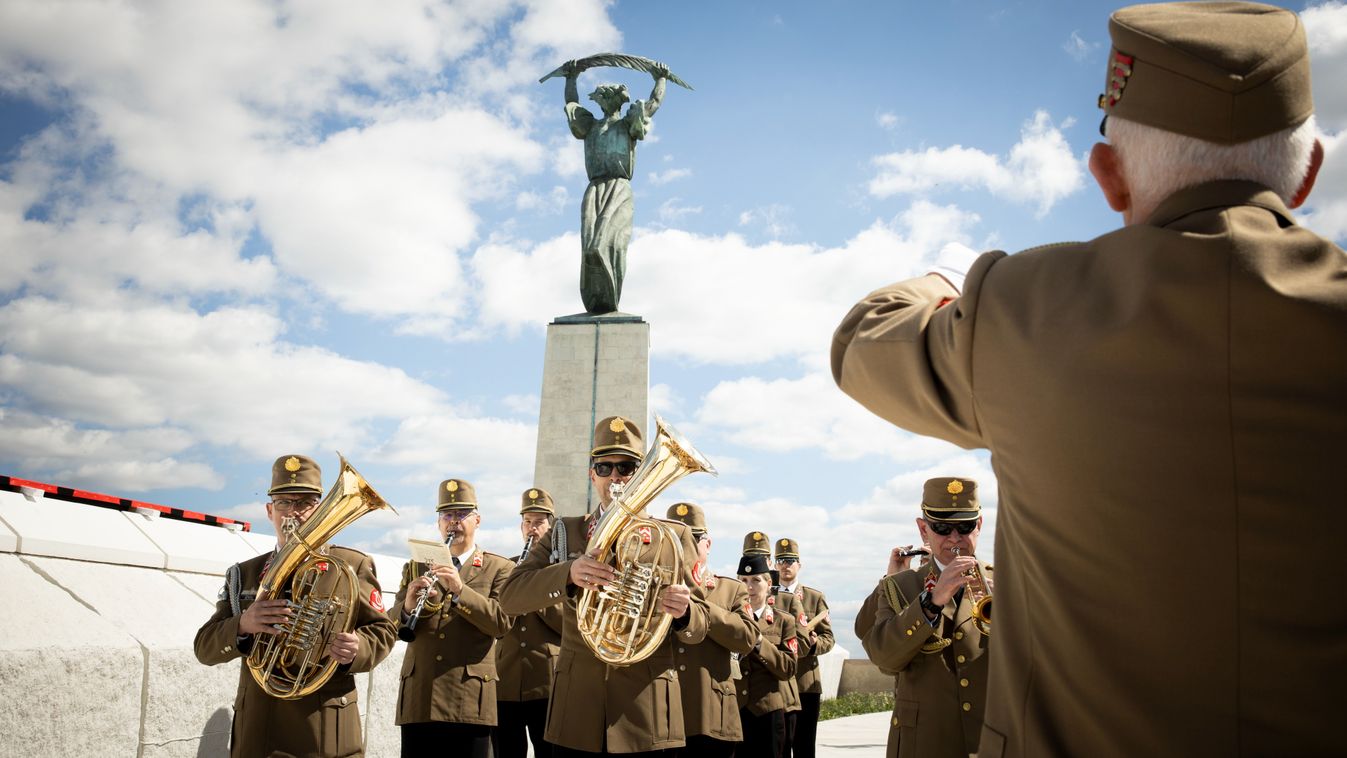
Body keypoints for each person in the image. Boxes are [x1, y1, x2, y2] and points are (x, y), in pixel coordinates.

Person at [831, 3, 1342, 755]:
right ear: (1308, 173)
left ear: (1109, 178)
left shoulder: (1024, 309)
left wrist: (951, 284)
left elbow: (859, 342)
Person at [499, 415, 710, 756]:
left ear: (640, 473)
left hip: (647, 711)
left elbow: (700, 625)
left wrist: (685, 614)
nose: (615, 477)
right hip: (577, 713)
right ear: (591, 474)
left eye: (626, 467)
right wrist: (568, 573)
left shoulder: (673, 535)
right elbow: (509, 597)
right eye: (604, 466)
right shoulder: (564, 532)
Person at [194, 454, 396, 758]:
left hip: (324, 732)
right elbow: (204, 648)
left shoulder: (352, 565)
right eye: (284, 503)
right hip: (258, 734)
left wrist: (358, 648)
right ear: (269, 510)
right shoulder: (244, 573)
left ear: (320, 507)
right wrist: (243, 625)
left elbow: (382, 631)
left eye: (304, 503)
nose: (293, 513)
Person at [855, 477, 992, 758]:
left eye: (964, 527)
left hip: (992, 738)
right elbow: (884, 658)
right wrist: (931, 602)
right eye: (942, 528)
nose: (954, 538)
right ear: (923, 529)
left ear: (979, 526)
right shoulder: (899, 586)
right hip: (925, 741)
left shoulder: (1009, 580)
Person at [390, 478, 513, 757]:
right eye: (447, 515)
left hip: (469, 700)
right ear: (438, 522)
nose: (453, 522)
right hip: (419, 698)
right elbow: (390, 623)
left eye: (461, 514)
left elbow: (502, 623)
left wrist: (460, 590)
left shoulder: (500, 567)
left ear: (477, 520)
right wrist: (408, 607)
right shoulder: (417, 565)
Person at [563, 63, 668, 313]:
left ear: (614, 101)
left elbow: (653, 104)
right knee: (590, 247)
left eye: (604, 98)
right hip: (595, 190)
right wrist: (571, 77)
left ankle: (611, 297)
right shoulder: (590, 126)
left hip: (619, 190)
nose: (601, 102)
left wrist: (660, 79)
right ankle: (595, 299)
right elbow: (572, 104)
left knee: (609, 245)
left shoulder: (629, 124)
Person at [665, 503, 759, 758]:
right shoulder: (654, 588)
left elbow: (747, 638)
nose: (685, 544)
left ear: (708, 544)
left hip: (711, 713)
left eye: (693, 538)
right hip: (662, 714)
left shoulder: (729, 589)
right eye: (674, 537)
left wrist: (695, 608)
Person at [494, 488, 565, 758]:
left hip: (546, 682)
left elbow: (566, 624)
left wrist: (533, 590)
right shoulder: (506, 568)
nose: (532, 529)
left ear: (551, 527)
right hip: (506, 681)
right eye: (527, 522)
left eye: (538, 522)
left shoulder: (562, 570)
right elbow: (495, 618)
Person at [735, 545, 800, 758]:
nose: (749, 587)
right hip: (733, 712)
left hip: (768, 714)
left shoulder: (784, 621)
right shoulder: (729, 620)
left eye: (756, 580)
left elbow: (789, 668)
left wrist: (760, 643)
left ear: (769, 583)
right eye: (743, 581)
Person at [773, 538, 834, 758]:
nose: (786, 565)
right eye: (781, 560)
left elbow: (829, 638)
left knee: (804, 746)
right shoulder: (768, 595)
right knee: (778, 747)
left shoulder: (814, 597)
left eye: (791, 560)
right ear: (774, 564)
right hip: (776, 683)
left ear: (800, 565)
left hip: (804, 684)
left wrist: (815, 643)